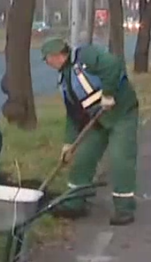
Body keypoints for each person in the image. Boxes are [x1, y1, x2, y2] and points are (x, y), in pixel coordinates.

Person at [40, 37, 138, 225]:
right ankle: (75, 203)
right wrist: (68, 143)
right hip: (97, 120)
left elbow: (113, 65)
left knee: (120, 158)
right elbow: (73, 114)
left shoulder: (86, 55)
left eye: (47, 59)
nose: (47, 63)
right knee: (83, 158)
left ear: (57, 55)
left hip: (122, 112)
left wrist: (108, 94)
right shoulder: (64, 79)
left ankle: (124, 209)